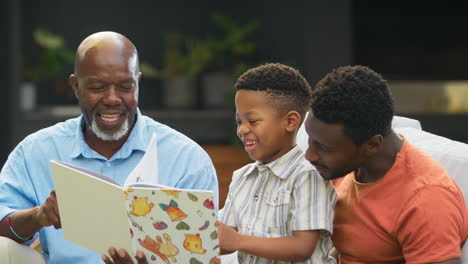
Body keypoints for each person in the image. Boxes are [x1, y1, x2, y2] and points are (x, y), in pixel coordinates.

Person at [0, 31, 218, 264]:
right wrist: (39, 215)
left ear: (138, 83)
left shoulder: (187, 158)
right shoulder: (36, 151)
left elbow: (200, 253)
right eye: (97, 87)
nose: (112, 99)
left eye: (125, 87)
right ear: (75, 86)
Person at [304, 65, 468, 264]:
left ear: (372, 145)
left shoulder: (425, 199)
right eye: (309, 140)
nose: (309, 155)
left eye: (323, 148)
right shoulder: (344, 168)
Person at [217, 63, 337, 263]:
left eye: (253, 121)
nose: (242, 130)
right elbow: (225, 241)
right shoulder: (242, 177)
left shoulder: (308, 175)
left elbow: (302, 247)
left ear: (290, 122)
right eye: (239, 121)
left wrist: (238, 241)